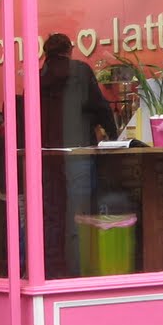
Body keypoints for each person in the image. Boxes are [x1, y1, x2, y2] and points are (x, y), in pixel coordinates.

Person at [39, 33, 118, 277]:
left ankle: (51, 271)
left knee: (51, 214)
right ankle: (78, 272)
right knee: (79, 215)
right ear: (69, 50)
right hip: (78, 153)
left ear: (46, 53)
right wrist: (113, 134)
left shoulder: (38, 77)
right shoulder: (80, 72)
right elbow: (100, 106)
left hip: (46, 156)